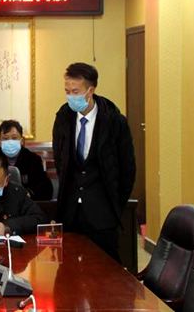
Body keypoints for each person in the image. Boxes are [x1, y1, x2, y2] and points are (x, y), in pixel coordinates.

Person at [53, 62, 135, 262]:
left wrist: (114, 204)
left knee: (105, 268)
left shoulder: (114, 121)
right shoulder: (63, 118)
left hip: (102, 214)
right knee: (69, 269)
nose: (70, 96)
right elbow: (60, 160)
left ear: (90, 91)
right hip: (70, 212)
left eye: (75, 91)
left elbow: (127, 169)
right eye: (67, 91)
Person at [0, 119, 53, 200]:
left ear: (21, 141)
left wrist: (29, 193)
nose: (10, 142)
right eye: (5, 139)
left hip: (26, 203)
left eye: (14, 138)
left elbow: (45, 189)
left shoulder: (33, 159)